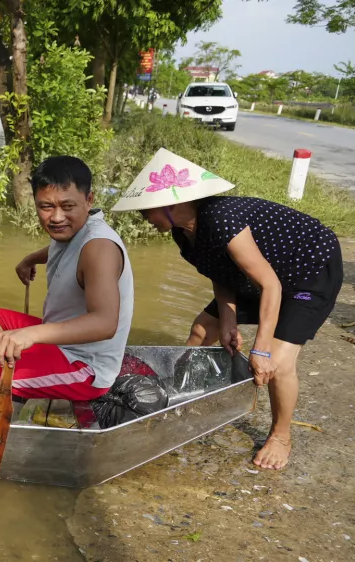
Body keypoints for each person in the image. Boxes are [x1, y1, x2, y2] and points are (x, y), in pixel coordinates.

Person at [112, 148, 343, 470]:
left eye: (145, 213)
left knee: (278, 360)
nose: (145, 221)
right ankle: (177, 399)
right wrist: (229, 322)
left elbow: (272, 286)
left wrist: (260, 348)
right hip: (262, 273)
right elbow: (221, 276)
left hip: (308, 270)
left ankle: (281, 435)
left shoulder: (222, 219)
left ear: (171, 205)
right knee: (202, 329)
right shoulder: (184, 233)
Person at [0, 156, 134, 422]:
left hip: (86, 366)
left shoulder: (100, 248)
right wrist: (31, 259)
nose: (56, 217)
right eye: (45, 206)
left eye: (67, 206)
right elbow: (61, 246)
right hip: (64, 343)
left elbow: (105, 322)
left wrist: (30, 335)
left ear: (89, 200)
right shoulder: (75, 228)